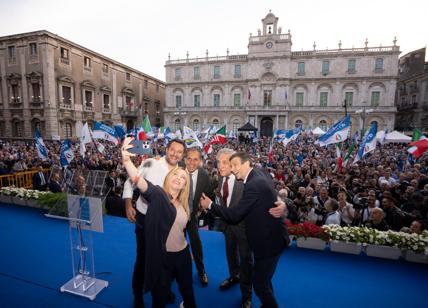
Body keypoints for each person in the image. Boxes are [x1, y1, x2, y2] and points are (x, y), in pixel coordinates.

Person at [200, 152, 289, 308]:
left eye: (225, 162)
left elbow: (270, 191)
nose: (220, 166)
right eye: (218, 162)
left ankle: (246, 296)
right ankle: (234, 276)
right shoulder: (221, 176)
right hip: (228, 226)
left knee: (248, 263)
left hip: (248, 230)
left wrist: (282, 204)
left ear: (239, 162)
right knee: (231, 255)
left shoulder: (253, 177)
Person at [121, 137, 196, 308]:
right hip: (144, 219)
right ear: (166, 149)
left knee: (165, 258)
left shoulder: (180, 175)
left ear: (182, 155)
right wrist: (127, 204)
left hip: (168, 225)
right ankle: (138, 295)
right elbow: (131, 181)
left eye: (179, 152)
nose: (175, 154)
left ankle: (163, 288)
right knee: (143, 260)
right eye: (173, 149)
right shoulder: (150, 163)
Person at [184, 148, 214, 286]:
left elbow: (208, 194)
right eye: (189, 158)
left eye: (195, 159)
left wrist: (201, 209)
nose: (192, 162)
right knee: (173, 244)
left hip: (192, 217)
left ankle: (201, 271)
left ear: (200, 161)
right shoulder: (176, 171)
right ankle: (172, 270)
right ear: (184, 159)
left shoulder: (204, 175)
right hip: (175, 216)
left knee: (196, 244)